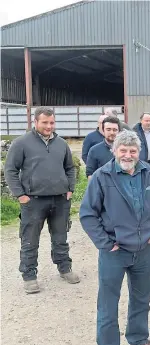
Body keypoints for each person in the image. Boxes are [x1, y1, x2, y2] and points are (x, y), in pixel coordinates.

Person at [79, 130, 150, 345]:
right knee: (108, 306)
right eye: (123, 150)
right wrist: (105, 243)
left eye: (133, 150)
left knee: (142, 299)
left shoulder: (149, 173)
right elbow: (88, 214)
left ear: (138, 152)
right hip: (115, 253)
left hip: (144, 250)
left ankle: (138, 339)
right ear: (114, 151)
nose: (128, 155)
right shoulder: (102, 176)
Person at [4, 106, 80, 294]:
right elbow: (10, 170)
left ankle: (64, 268)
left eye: (52, 122)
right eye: (45, 122)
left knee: (61, 237)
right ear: (35, 122)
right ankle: (29, 276)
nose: (49, 126)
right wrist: (20, 195)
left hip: (60, 199)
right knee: (30, 239)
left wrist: (70, 189)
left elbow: (70, 168)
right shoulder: (21, 143)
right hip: (33, 201)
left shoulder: (61, 143)